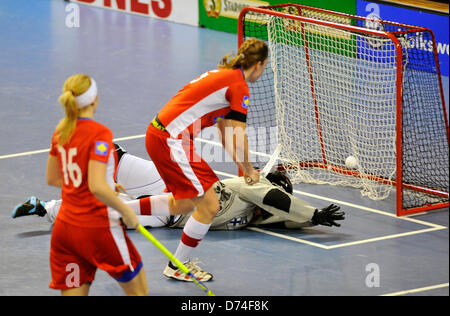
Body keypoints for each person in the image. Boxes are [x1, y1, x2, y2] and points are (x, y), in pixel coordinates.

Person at [142, 38, 269, 282]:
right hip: (172, 140)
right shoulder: (239, 86)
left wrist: (241, 167)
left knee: (184, 204)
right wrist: (251, 169)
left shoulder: (225, 75)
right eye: (264, 68)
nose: (262, 72)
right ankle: (178, 265)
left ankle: (114, 212)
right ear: (259, 65)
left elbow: (225, 134)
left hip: (161, 134)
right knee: (210, 206)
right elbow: (238, 135)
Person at [13, 146, 345, 231]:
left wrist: (309, 222)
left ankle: (45, 207)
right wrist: (312, 212)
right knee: (117, 158)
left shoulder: (256, 218)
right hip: (171, 186)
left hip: (168, 216)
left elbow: (283, 220)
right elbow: (270, 197)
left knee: (107, 216)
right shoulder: (249, 189)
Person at [44, 74, 148, 296]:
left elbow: (53, 178)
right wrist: (125, 211)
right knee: (139, 291)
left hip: (65, 231)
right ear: (94, 100)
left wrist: (105, 185)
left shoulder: (61, 132)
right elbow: (96, 186)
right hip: (97, 228)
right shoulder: (100, 134)